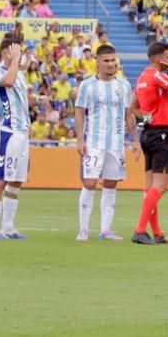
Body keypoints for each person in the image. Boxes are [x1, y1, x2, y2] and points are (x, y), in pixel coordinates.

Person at [74, 43, 134, 242]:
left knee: (111, 183)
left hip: (116, 144)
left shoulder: (124, 86)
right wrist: (80, 139)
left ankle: (105, 230)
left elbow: (129, 114)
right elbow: (80, 111)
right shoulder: (88, 85)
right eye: (106, 61)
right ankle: (83, 229)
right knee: (90, 182)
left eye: (113, 61)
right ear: (97, 62)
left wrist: (136, 141)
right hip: (94, 143)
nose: (110, 64)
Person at [131, 41, 168, 245]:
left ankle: (156, 232)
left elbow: (134, 108)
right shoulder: (157, 75)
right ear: (159, 59)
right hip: (162, 135)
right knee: (161, 186)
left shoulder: (142, 78)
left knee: (150, 188)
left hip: (148, 134)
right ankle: (139, 230)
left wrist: (149, 120)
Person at [0, 34, 33, 240]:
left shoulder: (20, 74)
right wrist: (15, 61)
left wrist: (37, 100)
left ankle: (8, 227)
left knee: (17, 180)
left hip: (23, 132)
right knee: (1, 178)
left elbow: (21, 96)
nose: (19, 55)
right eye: (16, 51)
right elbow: (8, 81)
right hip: (9, 131)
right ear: (6, 53)